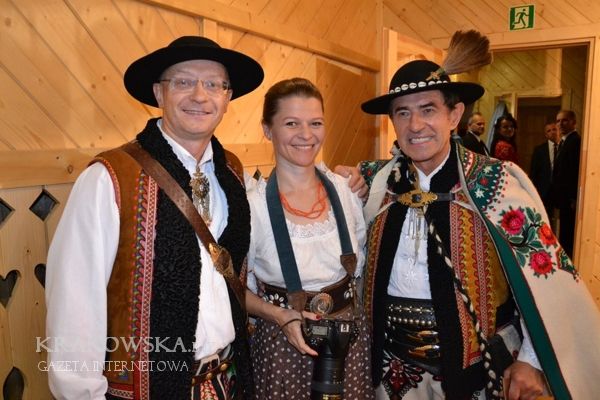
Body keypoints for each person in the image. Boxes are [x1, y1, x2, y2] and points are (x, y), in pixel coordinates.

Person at [355, 30, 600, 400]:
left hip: (475, 374)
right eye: (403, 113)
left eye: (428, 110)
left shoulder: (496, 183)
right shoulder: (375, 183)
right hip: (390, 374)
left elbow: (546, 277)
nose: (415, 125)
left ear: (454, 115)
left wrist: (531, 359)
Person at [45, 36, 264, 399]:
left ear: (227, 98)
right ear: (159, 94)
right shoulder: (110, 178)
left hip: (228, 381)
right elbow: (74, 302)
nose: (200, 95)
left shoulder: (232, 172)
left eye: (214, 84)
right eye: (183, 81)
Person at [245, 78, 375, 399]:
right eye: (292, 123)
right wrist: (278, 315)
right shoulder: (252, 206)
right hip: (282, 344)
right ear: (267, 130)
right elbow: (236, 290)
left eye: (315, 123)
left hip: (347, 341)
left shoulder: (346, 190)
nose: (306, 135)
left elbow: (361, 266)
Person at [551, 110, 581, 257]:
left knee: (568, 235)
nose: (560, 124)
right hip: (562, 197)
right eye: (558, 121)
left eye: (565, 120)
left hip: (569, 199)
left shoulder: (575, 141)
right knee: (562, 231)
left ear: (573, 122)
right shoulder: (564, 142)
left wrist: (573, 198)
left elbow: (575, 172)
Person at [529, 121, 559, 215]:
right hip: (544, 190)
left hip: (559, 189)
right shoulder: (539, 150)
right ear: (546, 135)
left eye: (554, 129)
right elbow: (534, 172)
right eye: (549, 131)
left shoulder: (563, 147)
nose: (552, 132)